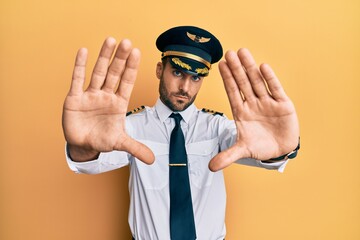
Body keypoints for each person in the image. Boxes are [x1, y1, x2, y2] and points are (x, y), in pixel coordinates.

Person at [62, 26, 300, 240]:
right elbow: (90, 162)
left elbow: (258, 148)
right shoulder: (130, 128)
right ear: (159, 69)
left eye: (196, 77)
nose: (185, 88)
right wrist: (82, 146)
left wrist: (282, 147)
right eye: (177, 73)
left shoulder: (217, 127)